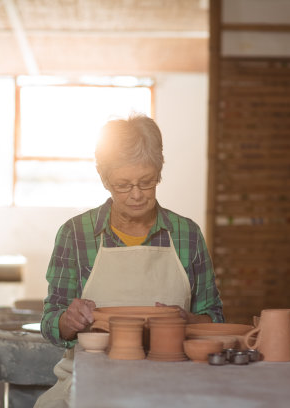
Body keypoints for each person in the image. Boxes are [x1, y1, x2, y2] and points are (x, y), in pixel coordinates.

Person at [35, 114, 224, 408]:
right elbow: (49, 324)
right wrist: (66, 321)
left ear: (159, 174)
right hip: (89, 380)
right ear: (105, 180)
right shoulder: (76, 234)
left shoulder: (186, 234)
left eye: (146, 182)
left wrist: (189, 321)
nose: (136, 194)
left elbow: (215, 319)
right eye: (123, 185)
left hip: (173, 378)